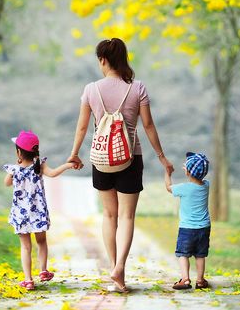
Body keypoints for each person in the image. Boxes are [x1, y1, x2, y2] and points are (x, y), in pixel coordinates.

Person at [67, 37, 174, 293]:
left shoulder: (91, 89)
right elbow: (148, 125)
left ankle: (114, 267)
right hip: (130, 158)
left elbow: (82, 126)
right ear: (123, 59)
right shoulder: (138, 88)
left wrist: (74, 154)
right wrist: (161, 157)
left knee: (109, 215)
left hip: (101, 159)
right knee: (127, 216)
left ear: (102, 60)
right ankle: (120, 270)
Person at [3, 129, 76, 291]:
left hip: (20, 214)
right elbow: (54, 173)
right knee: (41, 242)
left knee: (26, 247)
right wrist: (68, 165)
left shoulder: (14, 170)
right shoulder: (40, 166)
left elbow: (6, 183)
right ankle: (43, 271)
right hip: (38, 213)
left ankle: (28, 280)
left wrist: (16, 166)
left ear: (18, 152)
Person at [165, 151, 211, 290]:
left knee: (183, 255)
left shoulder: (184, 188)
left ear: (188, 172)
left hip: (187, 229)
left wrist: (167, 173)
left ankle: (185, 279)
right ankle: (200, 280)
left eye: (186, 167)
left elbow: (168, 188)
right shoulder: (206, 185)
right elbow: (197, 177)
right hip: (204, 227)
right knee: (200, 255)